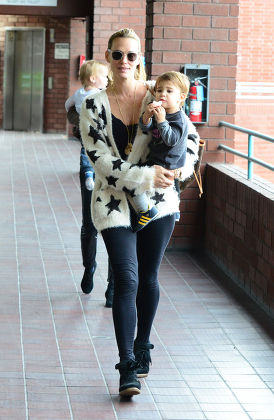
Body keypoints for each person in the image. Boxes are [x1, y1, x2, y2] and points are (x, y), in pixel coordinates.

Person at [80, 28, 199, 397]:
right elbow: (100, 161)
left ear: (140, 59)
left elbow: (190, 140)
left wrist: (181, 169)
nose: (124, 62)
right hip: (113, 202)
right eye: (118, 55)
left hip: (159, 205)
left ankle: (143, 345)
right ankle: (126, 364)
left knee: (148, 277)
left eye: (132, 56)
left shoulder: (159, 93)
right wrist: (147, 176)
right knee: (126, 279)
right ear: (108, 57)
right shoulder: (92, 105)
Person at [65, 60, 114, 306]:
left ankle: (113, 284)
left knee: (116, 227)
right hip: (95, 165)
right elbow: (72, 113)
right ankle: (89, 266)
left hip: (120, 171)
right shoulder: (99, 94)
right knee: (90, 223)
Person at [131, 71, 190, 231]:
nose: (162, 94)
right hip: (157, 158)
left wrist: (162, 120)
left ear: (181, 97)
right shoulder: (161, 111)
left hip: (167, 162)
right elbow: (147, 129)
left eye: (169, 91)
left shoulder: (179, 119)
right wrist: (147, 117)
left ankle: (147, 210)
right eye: (159, 90)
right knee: (131, 177)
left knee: (132, 181)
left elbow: (171, 139)